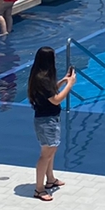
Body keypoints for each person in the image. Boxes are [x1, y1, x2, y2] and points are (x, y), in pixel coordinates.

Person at [27, 46, 74, 201]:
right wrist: (70, 84)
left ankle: (50, 179)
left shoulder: (39, 76)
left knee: (51, 150)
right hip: (46, 121)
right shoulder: (43, 79)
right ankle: (39, 189)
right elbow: (56, 100)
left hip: (48, 119)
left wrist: (62, 81)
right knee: (46, 153)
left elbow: (51, 92)